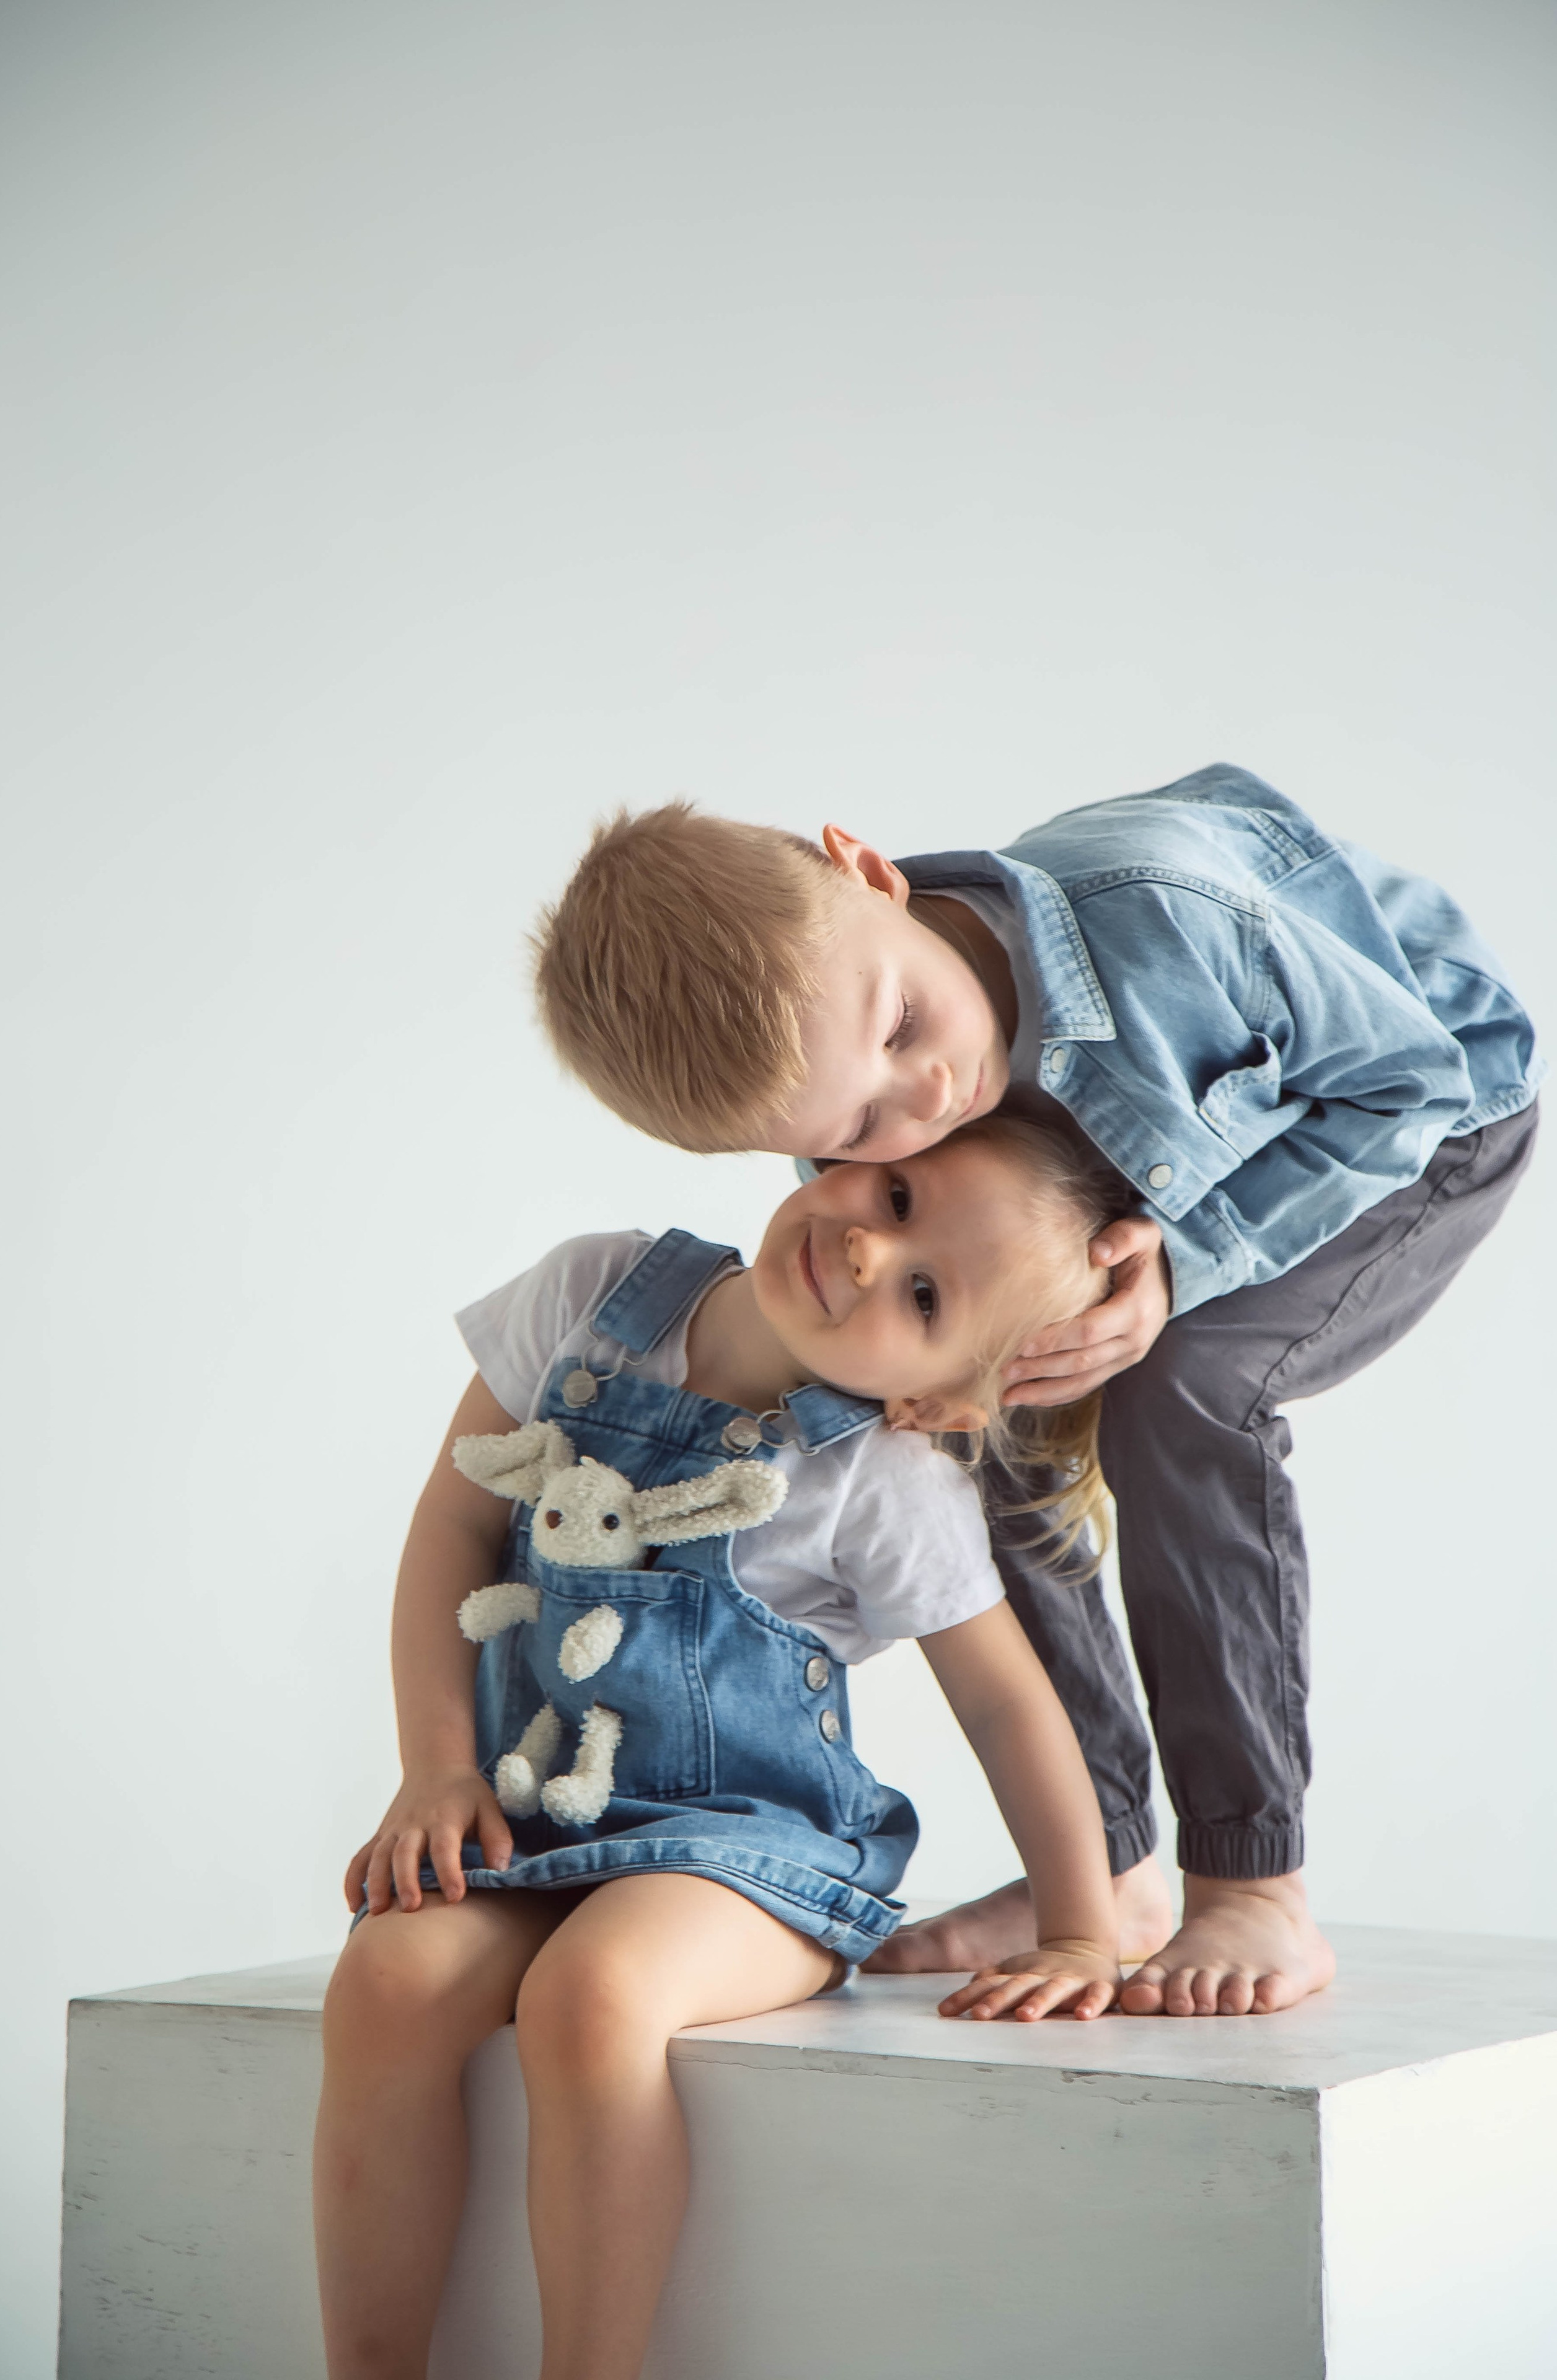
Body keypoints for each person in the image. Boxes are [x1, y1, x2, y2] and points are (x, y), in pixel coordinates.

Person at [534, 762, 1542, 2019]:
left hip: (1416, 1110)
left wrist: (1185, 1260)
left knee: (1181, 1380)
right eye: (854, 1131)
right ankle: (1106, 1869)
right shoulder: (844, 1075)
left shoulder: (1168, 914)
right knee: (990, 1393)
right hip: (1212, 1132)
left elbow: (1414, 1080)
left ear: (867, 870)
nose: (925, 1104)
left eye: (905, 1030)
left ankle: (1249, 1879)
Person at [315, 1114, 1130, 2380]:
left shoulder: (882, 1476)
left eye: (922, 1294)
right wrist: (435, 1767)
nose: (864, 1250)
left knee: (593, 2000)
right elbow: (451, 1531)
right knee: (385, 1980)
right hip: (538, 1813)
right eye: (901, 1196)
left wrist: (1080, 1926)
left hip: (753, 1860)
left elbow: (1005, 1704)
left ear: (935, 1398)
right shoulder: (593, 1296)